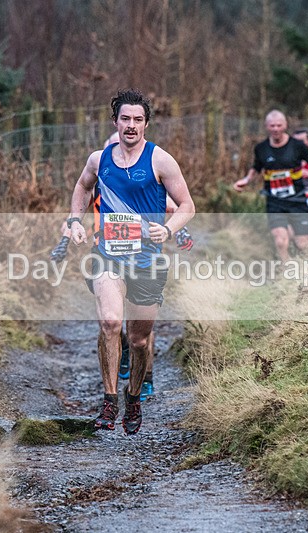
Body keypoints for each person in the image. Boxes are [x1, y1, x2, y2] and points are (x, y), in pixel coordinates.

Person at [67, 89, 195, 434]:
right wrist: (75, 220)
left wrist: (166, 230)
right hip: (108, 254)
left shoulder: (161, 160)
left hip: (147, 261)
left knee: (138, 340)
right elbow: (82, 187)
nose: (131, 125)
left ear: (146, 124)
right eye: (125, 118)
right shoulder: (99, 160)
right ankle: (109, 402)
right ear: (115, 121)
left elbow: (187, 206)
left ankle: (133, 397)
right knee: (110, 322)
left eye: (138, 119)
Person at [233, 110, 308, 261]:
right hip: (275, 202)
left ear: (285, 125)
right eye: (272, 126)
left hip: (297, 200)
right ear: (266, 126)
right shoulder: (261, 148)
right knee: (280, 240)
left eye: (279, 125)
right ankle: (286, 269)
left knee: (303, 245)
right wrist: (246, 180)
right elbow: (256, 167)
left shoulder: (297, 146)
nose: (275, 129)